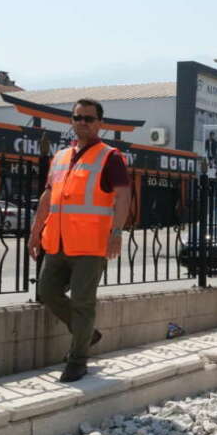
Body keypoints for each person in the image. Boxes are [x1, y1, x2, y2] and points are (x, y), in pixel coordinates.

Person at [29, 98, 132, 383]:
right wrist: (35, 231)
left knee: (83, 303)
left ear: (100, 123)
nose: (82, 123)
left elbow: (123, 197)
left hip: (91, 245)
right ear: (71, 121)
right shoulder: (60, 156)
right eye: (78, 118)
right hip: (58, 242)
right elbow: (48, 196)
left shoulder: (110, 157)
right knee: (46, 292)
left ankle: (77, 361)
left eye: (88, 118)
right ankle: (88, 334)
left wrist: (117, 232)